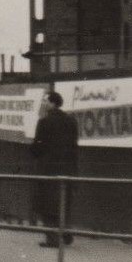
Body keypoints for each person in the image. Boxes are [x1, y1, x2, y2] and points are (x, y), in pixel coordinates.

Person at [30, 91, 78, 247]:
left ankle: (52, 239)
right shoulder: (71, 121)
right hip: (67, 167)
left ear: (52, 103)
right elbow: (74, 146)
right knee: (62, 201)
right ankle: (66, 231)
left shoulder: (44, 122)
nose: (44, 104)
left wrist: (32, 151)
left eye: (46, 101)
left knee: (46, 203)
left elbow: (38, 147)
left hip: (48, 168)